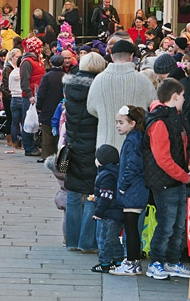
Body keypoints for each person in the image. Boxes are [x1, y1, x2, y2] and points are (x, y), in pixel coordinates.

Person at [143, 78, 190, 280]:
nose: (184, 99)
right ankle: (157, 261)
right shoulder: (160, 121)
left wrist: (185, 171)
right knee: (166, 223)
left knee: (178, 224)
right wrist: (184, 175)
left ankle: (172, 261)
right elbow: (163, 158)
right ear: (174, 96)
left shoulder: (173, 117)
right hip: (166, 181)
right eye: (182, 96)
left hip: (176, 179)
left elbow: (180, 149)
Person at [62, 52, 106, 254]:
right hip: (92, 146)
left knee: (72, 192)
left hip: (72, 145)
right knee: (91, 193)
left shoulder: (69, 86)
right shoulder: (100, 87)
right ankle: (87, 242)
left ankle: (71, 239)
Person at [86, 40, 155, 152]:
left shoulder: (99, 80)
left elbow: (91, 108)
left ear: (112, 56)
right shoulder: (143, 80)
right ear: (132, 56)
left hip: (105, 144)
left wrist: (106, 114)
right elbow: (153, 107)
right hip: (135, 145)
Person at [110, 105, 149, 277]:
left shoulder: (133, 139)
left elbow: (132, 165)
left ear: (132, 123)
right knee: (132, 227)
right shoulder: (136, 137)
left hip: (133, 190)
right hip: (136, 189)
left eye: (121, 122)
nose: (118, 125)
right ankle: (134, 262)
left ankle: (132, 262)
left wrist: (123, 186)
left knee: (131, 228)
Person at [90, 144, 124, 273]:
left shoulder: (106, 175)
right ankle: (118, 260)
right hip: (115, 211)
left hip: (110, 213)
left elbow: (106, 196)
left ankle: (104, 263)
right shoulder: (114, 172)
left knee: (106, 239)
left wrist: (98, 211)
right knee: (113, 238)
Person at [36, 54, 66, 162]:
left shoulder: (47, 76)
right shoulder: (65, 76)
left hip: (48, 107)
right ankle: (57, 155)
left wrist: (39, 106)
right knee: (59, 132)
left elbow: (41, 93)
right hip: (62, 107)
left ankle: (46, 156)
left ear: (51, 63)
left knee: (47, 132)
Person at [19, 36, 45, 157]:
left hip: (36, 95)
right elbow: (25, 81)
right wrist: (30, 95)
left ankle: (32, 146)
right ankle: (29, 148)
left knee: (33, 122)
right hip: (31, 97)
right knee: (29, 122)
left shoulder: (36, 60)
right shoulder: (28, 62)